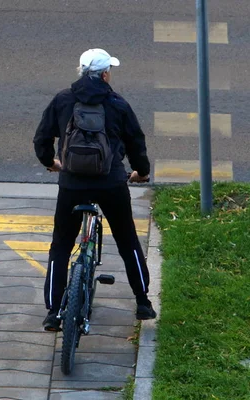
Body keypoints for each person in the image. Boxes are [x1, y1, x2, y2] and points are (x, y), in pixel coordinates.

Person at [33, 48, 156, 332]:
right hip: (111, 184)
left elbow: (42, 138)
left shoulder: (63, 100)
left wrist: (50, 162)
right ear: (104, 74)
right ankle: (142, 302)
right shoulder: (117, 103)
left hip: (72, 183)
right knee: (127, 241)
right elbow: (136, 142)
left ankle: (53, 312)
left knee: (61, 245)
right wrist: (142, 172)